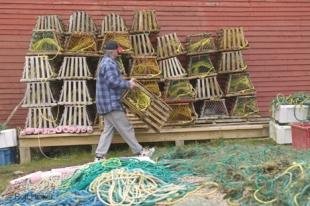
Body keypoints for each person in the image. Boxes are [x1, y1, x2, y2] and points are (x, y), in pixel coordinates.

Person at [95, 40, 154, 161]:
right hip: (111, 103)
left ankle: (99, 156)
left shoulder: (105, 62)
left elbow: (111, 80)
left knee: (108, 130)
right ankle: (140, 152)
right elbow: (112, 82)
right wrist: (128, 84)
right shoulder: (109, 64)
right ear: (113, 51)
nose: (118, 53)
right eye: (118, 51)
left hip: (106, 103)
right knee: (126, 127)